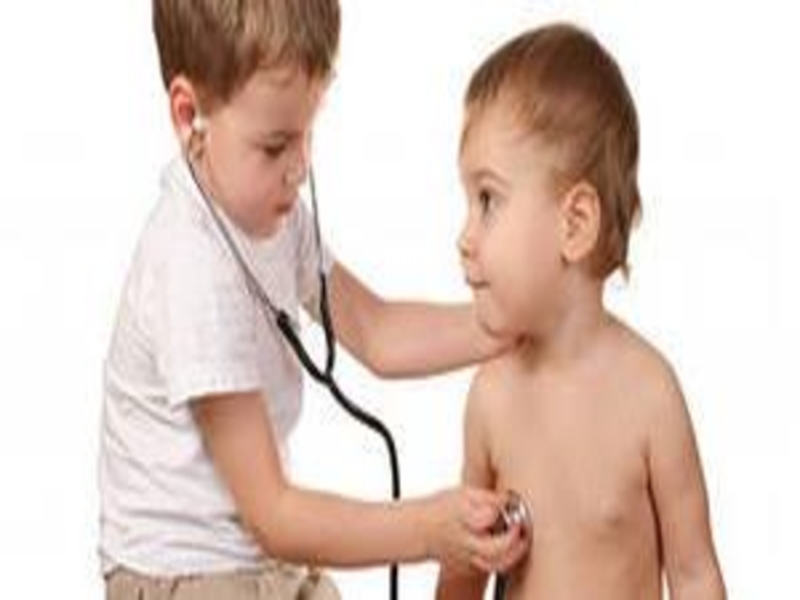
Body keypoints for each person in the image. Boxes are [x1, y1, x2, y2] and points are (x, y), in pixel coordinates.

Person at [99, 1, 529, 598]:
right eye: (275, 145)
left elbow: (376, 332)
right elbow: (273, 516)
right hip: (183, 574)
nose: (300, 168)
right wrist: (429, 530)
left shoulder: (273, 217)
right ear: (189, 115)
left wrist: (505, 325)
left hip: (261, 555)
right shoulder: (190, 268)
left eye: (307, 132)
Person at [436, 22, 726, 600]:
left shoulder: (650, 395)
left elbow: (694, 575)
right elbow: (463, 575)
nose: (464, 237)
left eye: (487, 200)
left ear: (574, 224)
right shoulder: (492, 395)